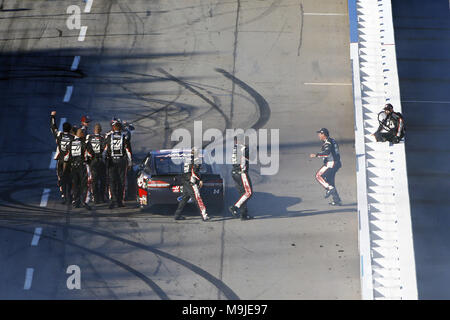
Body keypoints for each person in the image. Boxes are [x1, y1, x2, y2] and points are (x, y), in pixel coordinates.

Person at [174, 148, 210, 221]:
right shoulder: (197, 160)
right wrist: (199, 180)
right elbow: (194, 172)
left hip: (185, 180)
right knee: (198, 198)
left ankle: (177, 215)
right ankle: (204, 215)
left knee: (184, 198)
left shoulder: (187, 159)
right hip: (191, 181)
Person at [103, 122, 132, 209]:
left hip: (111, 162)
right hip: (121, 162)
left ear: (113, 128)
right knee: (121, 181)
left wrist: (104, 160)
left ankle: (113, 200)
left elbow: (104, 151)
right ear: (120, 129)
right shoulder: (124, 137)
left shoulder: (109, 137)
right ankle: (120, 201)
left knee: (112, 181)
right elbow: (128, 151)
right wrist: (130, 162)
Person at [310, 128, 342, 206]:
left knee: (318, 175)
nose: (318, 135)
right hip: (336, 163)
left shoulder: (327, 143)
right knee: (330, 181)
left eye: (319, 134)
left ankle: (329, 188)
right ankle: (336, 200)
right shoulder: (332, 140)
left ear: (323, 135)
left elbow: (327, 153)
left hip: (331, 163)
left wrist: (316, 155)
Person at [64, 128, 92, 210]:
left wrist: (66, 168)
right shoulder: (84, 143)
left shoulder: (70, 143)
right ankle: (84, 202)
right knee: (84, 185)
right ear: (80, 134)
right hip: (82, 166)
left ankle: (76, 202)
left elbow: (66, 157)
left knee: (75, 185)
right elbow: (89, 154)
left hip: (73, 166)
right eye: (82, 133)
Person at [50, 111, 74, 204]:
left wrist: (52, 116)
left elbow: (53, 127)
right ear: (70, 129)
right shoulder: (73, 137)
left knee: (60, 177)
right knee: (71, 178)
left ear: (63, 129)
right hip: (70, 161)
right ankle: (70, 195)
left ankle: (63, 195)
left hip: (60, 160)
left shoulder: (59, 135)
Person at [229, 137, 254, 220]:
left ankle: (244, 214)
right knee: (249, 193)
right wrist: (248, 149)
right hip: (241, 174)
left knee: (243, 194)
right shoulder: (243, 149)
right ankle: (235, 207)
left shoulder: (234, 148)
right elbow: (251, 158)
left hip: (234, 173)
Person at [86, 123, 106, 204]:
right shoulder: (103, 138)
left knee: (94, 180)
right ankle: (102, 197)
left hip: (93, 161)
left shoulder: (89, 138)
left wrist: (90, 158)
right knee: (102, 180)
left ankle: (95, 198)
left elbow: (87, 149)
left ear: (94, 130)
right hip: (101, 161)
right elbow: (105, 150)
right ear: (100, 130)